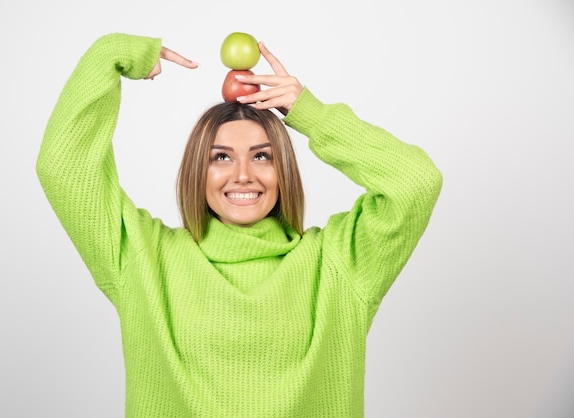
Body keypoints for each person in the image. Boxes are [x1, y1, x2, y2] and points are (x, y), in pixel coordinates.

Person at [37, 33, 443, 417]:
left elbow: (415, 182)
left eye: (262, 156)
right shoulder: (142, 257)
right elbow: (63, 167)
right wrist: (111, 54)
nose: (243, 175)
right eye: (222, 157)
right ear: (199, 170)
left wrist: (310, 114)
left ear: (283, 169)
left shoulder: (339, 263)